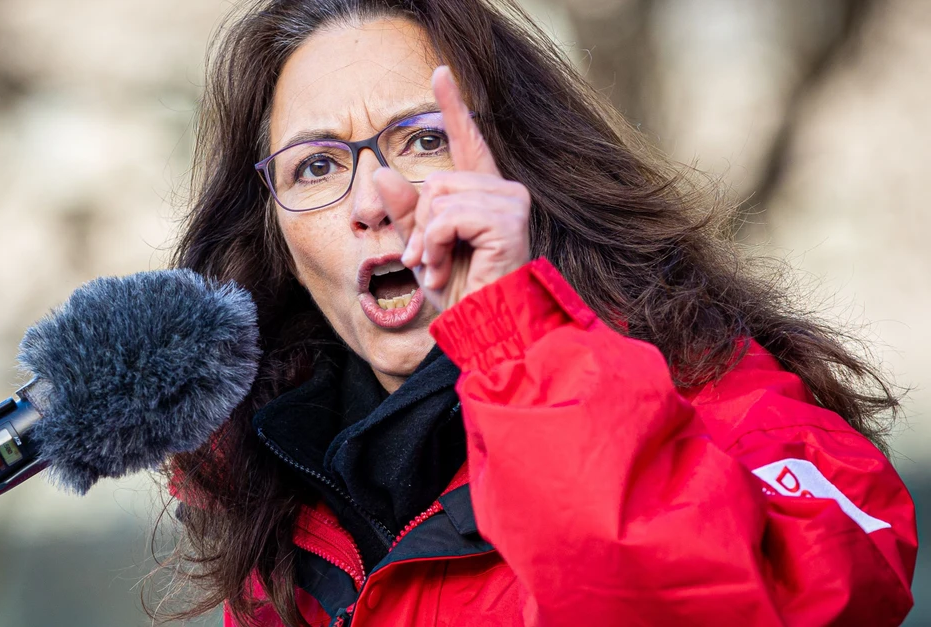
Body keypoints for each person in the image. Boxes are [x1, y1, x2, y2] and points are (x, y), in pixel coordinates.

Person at [159, 1, 918, 625]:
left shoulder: (728, 400)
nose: (374, 200)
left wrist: (515, 342)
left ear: (526, 172)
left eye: (423, 139)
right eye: (317, 165)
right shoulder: (279, 513)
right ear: (277, 238)